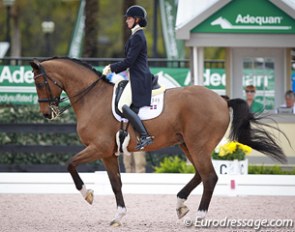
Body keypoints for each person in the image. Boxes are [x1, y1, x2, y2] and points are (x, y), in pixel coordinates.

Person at [102, 5, 153, 150]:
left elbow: (129, 61)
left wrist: (111, 68)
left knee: (122, 105)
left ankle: (144, 135)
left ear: (137, 20)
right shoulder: (135, 35)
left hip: (139, 78)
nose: (126, 21)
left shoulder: (138, 37)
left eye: (129, 18)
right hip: (135, 76)